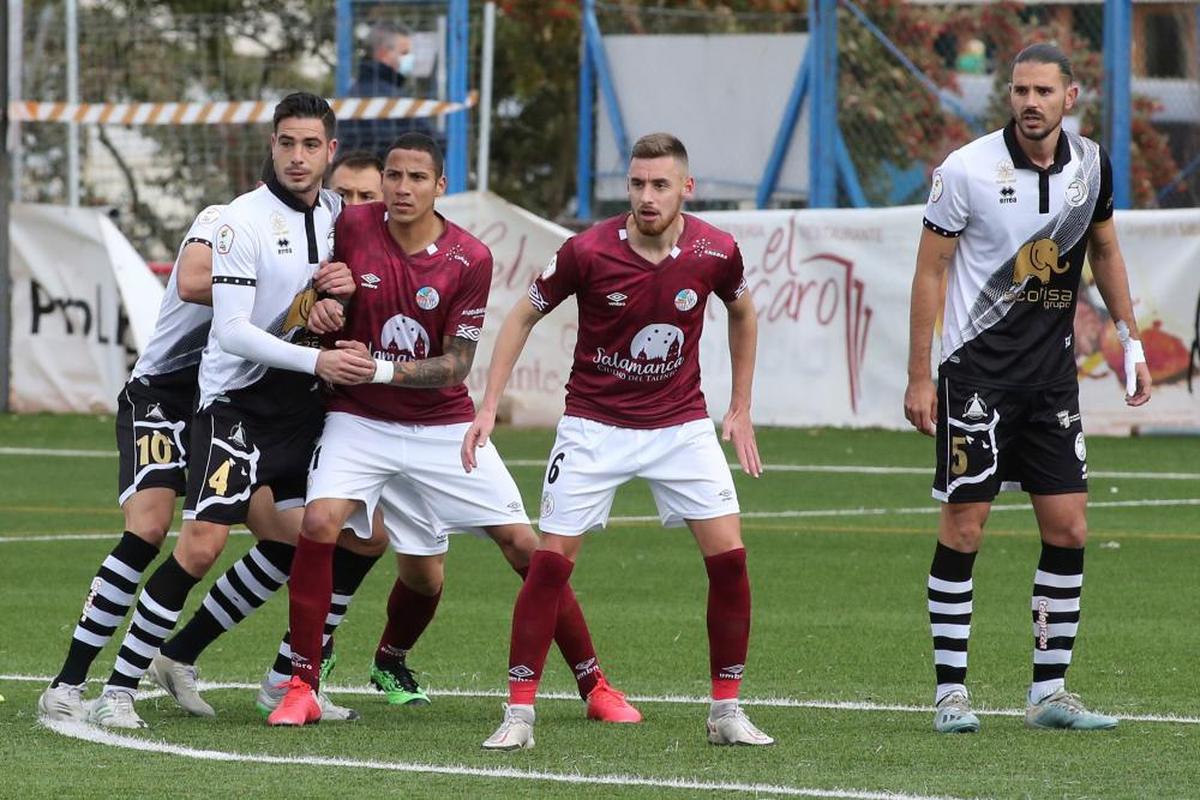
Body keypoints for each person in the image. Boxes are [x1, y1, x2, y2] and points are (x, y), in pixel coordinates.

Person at [267, 133, 640, 728]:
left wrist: (381, 366)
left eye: (417, 178)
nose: (402, 188)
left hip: (442, 425)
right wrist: (319, 305)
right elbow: (309, 290)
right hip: (358, 418)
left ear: (441, 186)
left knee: (525, 546)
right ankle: (301, 685)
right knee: (319, 521)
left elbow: (457, 364)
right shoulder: (350, 226)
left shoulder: (469, 257)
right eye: (394, 176)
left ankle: (595, 685)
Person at [461, 132, 770, 751]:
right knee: (549, 565)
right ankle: (519, 715)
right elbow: (522, 315)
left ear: (687, 187)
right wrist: (488, 404)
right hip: (594, 428)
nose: (647, 196)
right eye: (636, 184)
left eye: (660, 185)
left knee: (731, 561)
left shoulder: (716, 250)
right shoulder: (586, 250)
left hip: (681, 427)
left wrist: (740, 405)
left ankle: (726, 712)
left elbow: (742, 312)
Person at [87, 92, 378, 729]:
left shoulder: (340, 217)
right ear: (270, 146)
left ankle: (290, 682)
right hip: (234, 404)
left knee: (343, 536)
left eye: (311, 145)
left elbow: (335, 301)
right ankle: (117, 688)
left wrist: (333, 307)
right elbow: (233, 331)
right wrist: (316, 348)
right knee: (198, 545)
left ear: (329, 152)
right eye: (286, 143)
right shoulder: (237, 219)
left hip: (300, 407)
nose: (298, 157)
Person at [903, 43, 1151, 734]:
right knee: (965, 527)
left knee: (1069, 527)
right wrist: (919, 375)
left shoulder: (1092, 165)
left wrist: (1129, 339)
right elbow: (930, 272)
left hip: (1052, 381)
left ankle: (1049, 693)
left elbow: (1104, 249)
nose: (1030, 102)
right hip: (976, 377)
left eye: (1044, 90)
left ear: (1070, 97)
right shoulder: (966, 172)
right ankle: (950, 692)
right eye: (1020, 91)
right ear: (1007, 96)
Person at [339, 21, 439, 159]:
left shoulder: (354, 92)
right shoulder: (393, 98)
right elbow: (434, 141)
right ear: (383, 54)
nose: (409, 58)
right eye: (404, 52)